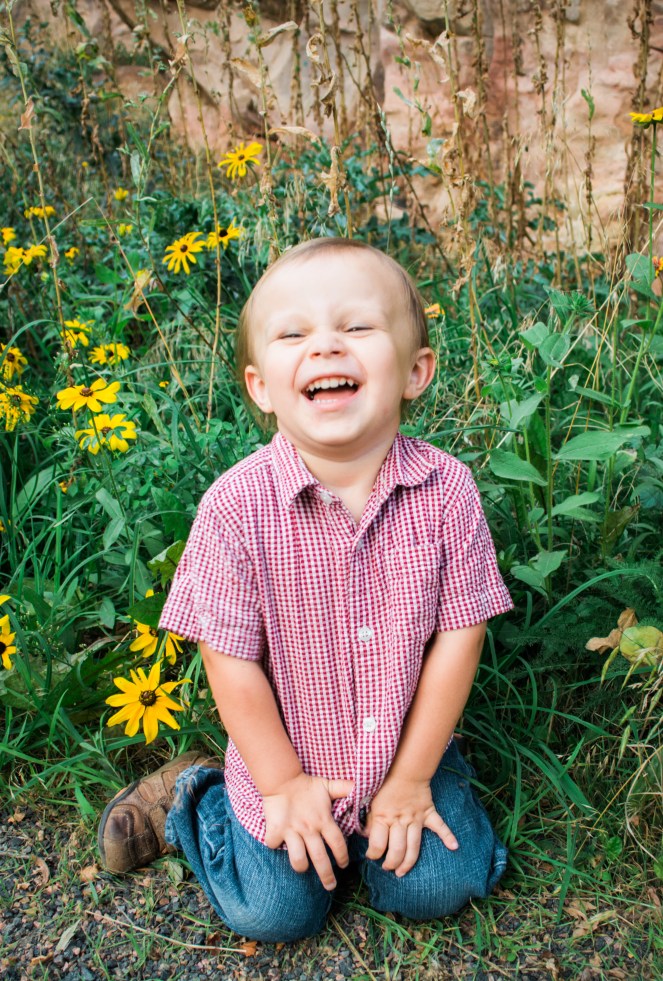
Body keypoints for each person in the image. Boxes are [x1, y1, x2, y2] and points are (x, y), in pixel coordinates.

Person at [98, 238, 513, 942]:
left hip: (404, 745)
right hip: (282, 753)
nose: (325, 346)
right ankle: (197, 794)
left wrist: (412, 777)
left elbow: (459, 635)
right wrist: (283, 784)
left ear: (415, 371)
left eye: (356, 326)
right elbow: (228, 657)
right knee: (273, 912)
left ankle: (420, 792)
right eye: (294, 335)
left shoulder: (447, 491)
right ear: (261, 386)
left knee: (440, 883)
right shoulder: (235, 507)